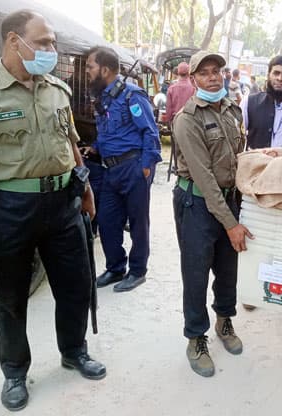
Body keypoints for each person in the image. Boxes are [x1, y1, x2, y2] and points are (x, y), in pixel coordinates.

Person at [0, 9, 106, 411]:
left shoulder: (57, 90)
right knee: (11, 296)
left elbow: (70, 143)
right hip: (12, 208)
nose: (53, 49)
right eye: (46, 41)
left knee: (76, 285)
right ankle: (15, 372)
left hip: (63, 202)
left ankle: (74, 350)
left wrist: (84, 189)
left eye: (53, 41)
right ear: (15, 41)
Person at [172, 51, 250, 378]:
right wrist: (231, 223)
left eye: (217, 71)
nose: (213, 77)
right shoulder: (186, 119)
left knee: (228, 267)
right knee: (196, 271)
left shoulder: (233, 109)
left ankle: (224, 319)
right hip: (197, 203)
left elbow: (238, 157)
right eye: (204, 73)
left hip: (230, 198)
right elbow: (204, 177)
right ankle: (196, 337)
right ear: (193, 80)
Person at [85, 46, 161, 292]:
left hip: (134, 168)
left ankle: (138, 270)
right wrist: (95, 147)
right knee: (107, 221)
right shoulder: (103, 98)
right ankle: (116, 268)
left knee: (138, 223)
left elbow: (150, 132)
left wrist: (146, 169)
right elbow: (110, 131)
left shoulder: (132, 95)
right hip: (110, 171)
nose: (86, 71)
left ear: (104, 69)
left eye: (90, 66)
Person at [242, 55, 282, 151]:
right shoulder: (249, 102)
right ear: (268, 75)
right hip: (257, 164)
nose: (280, 78)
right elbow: (237, 137)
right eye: (276, 73)